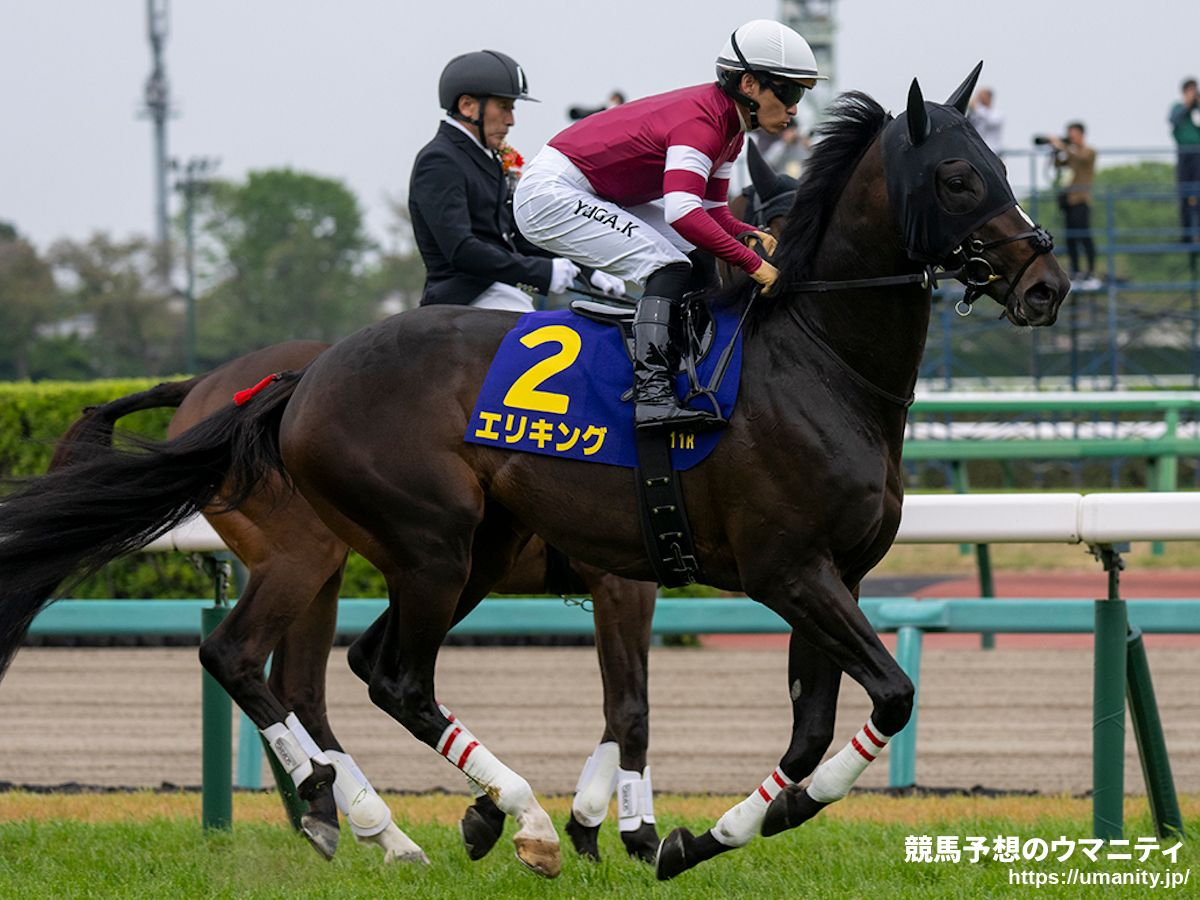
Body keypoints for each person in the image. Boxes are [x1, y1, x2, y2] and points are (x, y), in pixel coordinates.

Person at [515, 19, 821, 432]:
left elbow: (711, 210)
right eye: (789, 91)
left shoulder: (732, 130)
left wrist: (742, 233)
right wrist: (753, 264)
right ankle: (652, 396)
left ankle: (691, 366)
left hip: (597, 192)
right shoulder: (703, 124)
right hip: (551, 192)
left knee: (695, 257)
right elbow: (682, 213)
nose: (795, 108)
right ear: (749, 84)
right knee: (669, 266)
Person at [408, 50, 625, 312]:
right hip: (462, 298)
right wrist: (543, 273)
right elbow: (461, 249)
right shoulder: (439, 160)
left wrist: (586, 271)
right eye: (503, 107)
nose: (511, 120)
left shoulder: (484, 158)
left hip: (497, 291)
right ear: (467, 106)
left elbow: (517, 238)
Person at [1047, 123, 1098, 289]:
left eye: (1073, 134)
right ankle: (1075, 271)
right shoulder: (1071, 153)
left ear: (1082, 134)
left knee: (1084, 235)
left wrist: (1063, 146)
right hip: (1068, 200)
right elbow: (1059, 165)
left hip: (1081, 199)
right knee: (1070, 238)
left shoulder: (1089, 151)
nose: (1071, 137)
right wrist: (1055, 152)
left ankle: (1090, 272)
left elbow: (1081, 158)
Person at [1168, 78, 1200, 244]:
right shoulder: (1177, 108)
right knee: (1184, 194)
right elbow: (1173, 121)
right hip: (1184, 154)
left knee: (1198, 194)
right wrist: (1187, 105)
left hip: (1198, 154)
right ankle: (1186, 235)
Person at [967, 87, 1004, 154]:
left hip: (992, 151)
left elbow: (990, 121)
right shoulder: (976, 114)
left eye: (981, 97)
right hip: (977, 150)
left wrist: (976, 107)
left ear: (988, 98)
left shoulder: (997, 114)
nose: (979, 99)